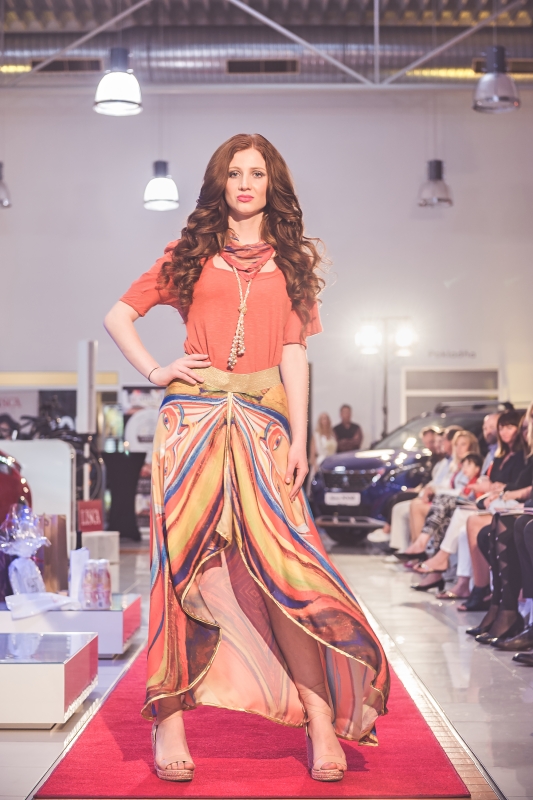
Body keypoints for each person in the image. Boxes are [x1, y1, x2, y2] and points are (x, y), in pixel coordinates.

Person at [104, 134, 389, 784]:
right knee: (181, 571)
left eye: (256, 173)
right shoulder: (187, 254)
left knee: (286, 572)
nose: (244, 182)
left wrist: (302, 437)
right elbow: (118, 315)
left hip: (264, 427)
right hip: (191, 426)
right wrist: (156, 369)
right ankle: (168, 720)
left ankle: (320, 721)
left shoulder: (291, 261)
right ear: (220, 182)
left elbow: (294, 353)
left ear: (271, 184)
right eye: (234, 172)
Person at [308, 412, 337, 489]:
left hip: (332, 462)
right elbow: (312, 454)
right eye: (323, 419)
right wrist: (315, 467)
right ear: (320, 421)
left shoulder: (332, 434)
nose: (325, 420)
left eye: (326, 418)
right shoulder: (316, 435)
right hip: (320, 462)